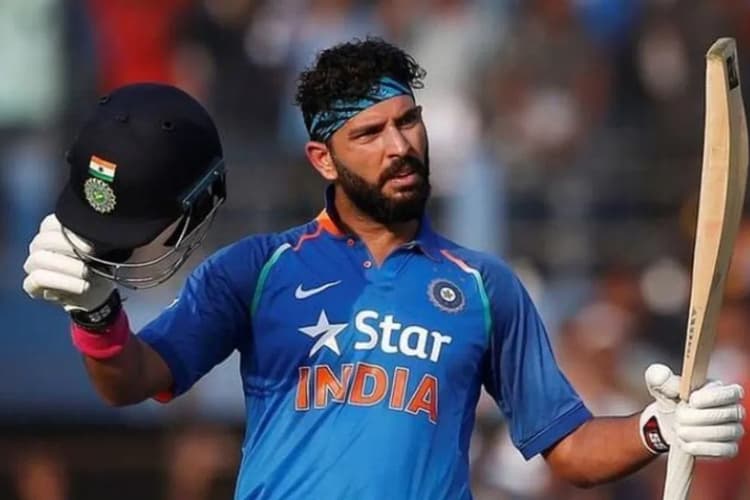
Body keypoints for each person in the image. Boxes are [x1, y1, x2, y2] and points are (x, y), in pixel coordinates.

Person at [23, 38, 744, 499]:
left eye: (408, 120)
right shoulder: (258, 269)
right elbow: (132, 381)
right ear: (323, 159)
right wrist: (96, 312)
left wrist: (657, 428)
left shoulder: (484, 287)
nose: (400, 146)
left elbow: (570, 447)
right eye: (369, 133)